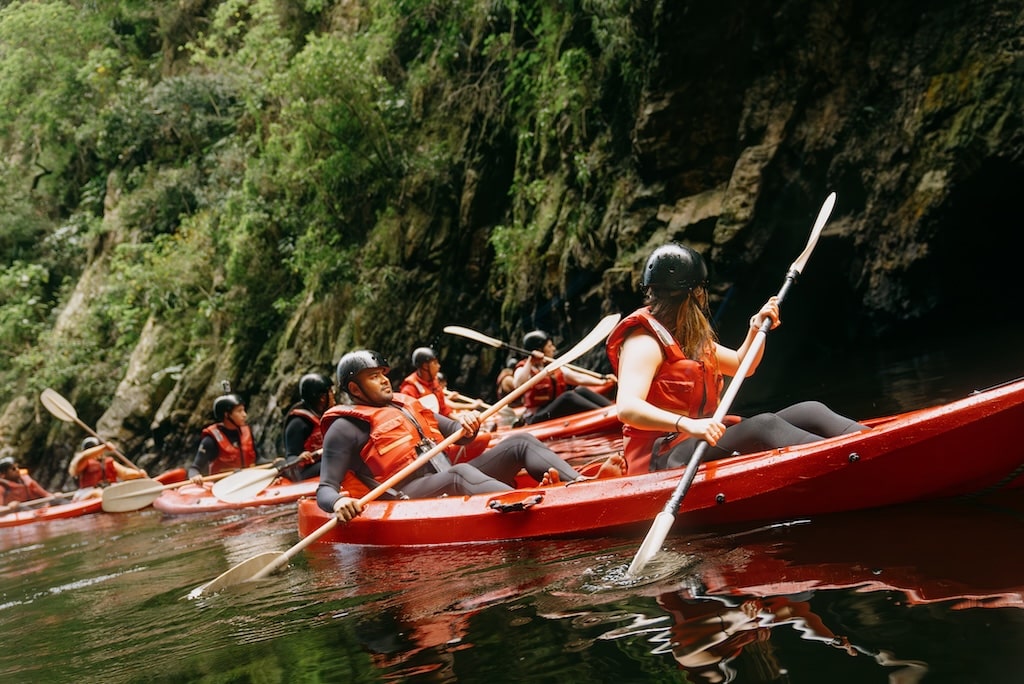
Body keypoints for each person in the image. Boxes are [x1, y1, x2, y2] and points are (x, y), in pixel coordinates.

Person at [607, 243, 867, 474]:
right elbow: (627, 408)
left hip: (697, 441)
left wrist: (756, 329)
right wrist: (688, 425)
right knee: (763, 424)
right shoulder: (644, 342)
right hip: (662, 458)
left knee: (810, 409)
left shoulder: (687, 338)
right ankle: (855, 463)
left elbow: (744, 365)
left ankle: (870, 441)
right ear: (696, 293)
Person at [317, 350, 594, 519]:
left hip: (447, 476)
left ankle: (581, 487)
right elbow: (325, 489)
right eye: (373, 376)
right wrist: (339, 501)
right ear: (355, 389)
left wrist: (468, 422)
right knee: (459, 473)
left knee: (519, 442)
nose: (384, 379)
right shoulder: (344, 428)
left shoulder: (404, 405)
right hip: (407, 498)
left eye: (383, 373)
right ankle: (533, 509)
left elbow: (457, 434)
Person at [512, 330, 616, 424]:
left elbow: (578, 378)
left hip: (552, 408)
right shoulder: (524, 369)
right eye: (549, 346)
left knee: (581, 390)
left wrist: (602, 381)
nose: (553, 348)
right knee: (567, 397)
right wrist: (531, 361)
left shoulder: (552, 367)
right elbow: (518, 384)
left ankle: (612, 409)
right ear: (539, 350)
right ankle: (606, 416)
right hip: (536, 416)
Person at [188, 392, 266, 484]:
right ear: (227, 415)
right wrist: (195, 476)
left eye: (244, 410)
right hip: (224, 487)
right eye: (239, 411)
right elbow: (194, 468)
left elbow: (258, 459)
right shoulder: (210, 440)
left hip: (249, 482)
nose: (244, 415)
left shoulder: (247, 432)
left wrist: (274, 462)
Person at [281, 372, 335, 482]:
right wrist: (300, 457)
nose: (333, 394)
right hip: (306, 471)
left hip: (324, 462)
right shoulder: (298, 423)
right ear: (322, 398)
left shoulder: (326, 417)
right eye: (330, 391)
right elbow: (291, 457)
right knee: (335, 464)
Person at [68, 437, 148, 501]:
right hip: (88, 493)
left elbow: (125, 473)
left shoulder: (107, 461)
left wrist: (139, 473)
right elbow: (85, 456)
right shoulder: (80, 462)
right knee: (97, 493)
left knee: (122, 487)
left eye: (93, 447)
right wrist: (104, 447)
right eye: (89, 448)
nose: (93, 451)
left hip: (109, 490)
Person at [399, 346, 450, 416]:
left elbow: (444, 410)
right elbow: (409, 417)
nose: (439, 366)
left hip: (440, 421)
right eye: (435, 363)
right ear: (425, 366)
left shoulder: (435, 383)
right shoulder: (409, 390)